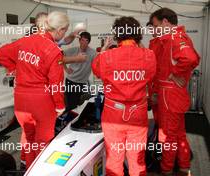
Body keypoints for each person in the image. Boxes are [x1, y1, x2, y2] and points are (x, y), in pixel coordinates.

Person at [0, 11, 69, 169]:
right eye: (65, 31)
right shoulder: (54, 51)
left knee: (28, 138)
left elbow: (0, 54)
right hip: (41, 102)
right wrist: (60, 106)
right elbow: (56, 84)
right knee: (42, 142)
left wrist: (13, 69)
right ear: (60, 29)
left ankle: (28, 168)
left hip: (21, 100)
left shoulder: (26, 40)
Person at [92, 16, 156, 176]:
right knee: (137, 161)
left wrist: (105, 48)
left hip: (113, 115)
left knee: (114, 160)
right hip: (138, 115)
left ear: (117, 34)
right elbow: (151, 76)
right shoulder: (149, 56)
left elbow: (96, 70)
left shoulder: (106, 57)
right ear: (138, 35)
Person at [148, 8, 200, 176]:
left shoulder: (174, 38)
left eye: (156, 25)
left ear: (165, 22)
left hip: (170, 95)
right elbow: (194, 58)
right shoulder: (171, 38)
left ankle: (166, 170)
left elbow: (191, 58)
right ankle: (184, 168)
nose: (154, 30)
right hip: (172, 94)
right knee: (179, 134)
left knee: (168, 137)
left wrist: (175, 73)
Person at [64, 31, 96, 110]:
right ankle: (68, 120)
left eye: (86, 41)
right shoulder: (73, 50)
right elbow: (59, 59)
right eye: (82, 40)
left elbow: (99, 60)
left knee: (77, 104)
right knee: (70, 104)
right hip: (71, 81)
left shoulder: (92, 53)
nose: (84, 42)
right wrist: (66, 69)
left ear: (89, 42)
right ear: (79, 40)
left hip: (81, 83)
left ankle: (72, 119)